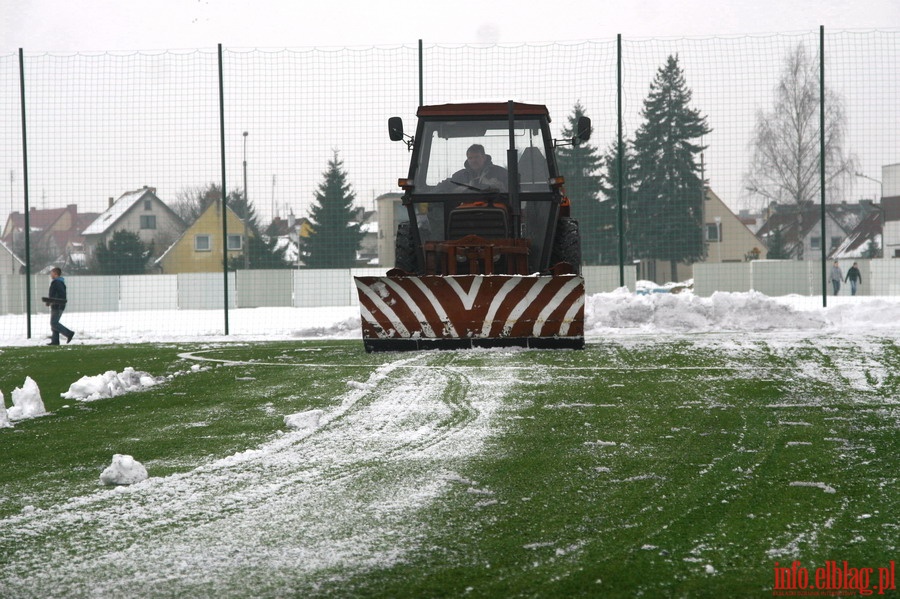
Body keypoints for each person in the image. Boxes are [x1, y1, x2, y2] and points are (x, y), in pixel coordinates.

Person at [46, 266, 74, 345]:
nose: (51, 275)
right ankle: (55, 341)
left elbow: (60, 294)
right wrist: (49, 301)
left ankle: (69, 333)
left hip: (57, 305)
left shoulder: (57, 282)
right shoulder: (59, 282)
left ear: (55, 274)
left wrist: (54, 301)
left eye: (51, 273)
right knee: (54, 323)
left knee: (54, 323)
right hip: (56, 304)